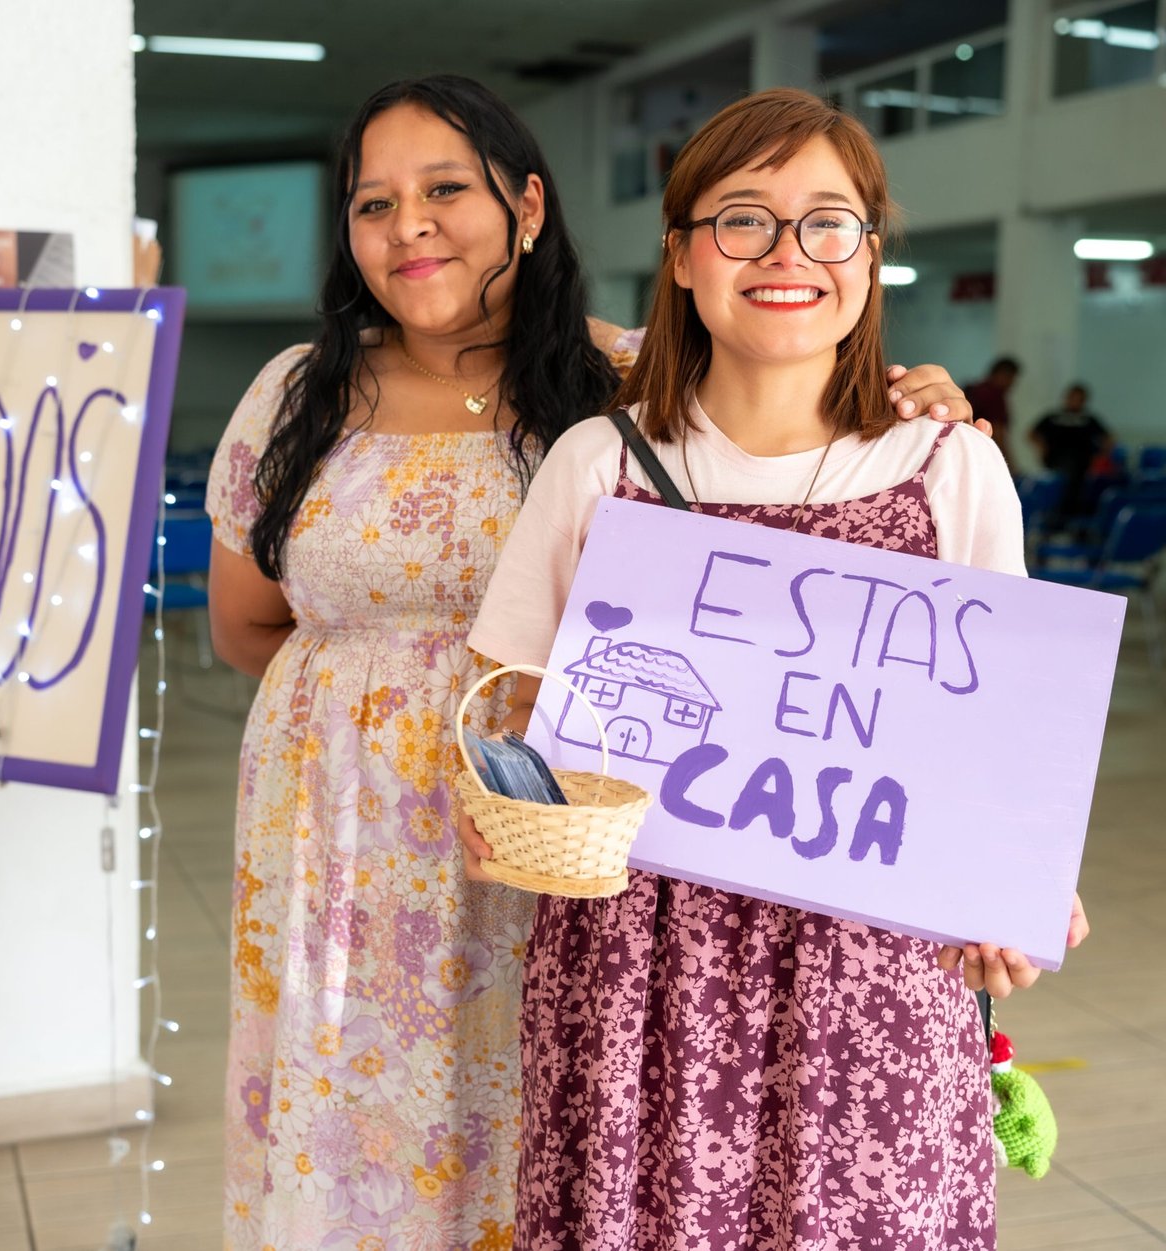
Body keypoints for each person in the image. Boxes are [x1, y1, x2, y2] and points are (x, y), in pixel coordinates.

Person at [206, 75, 977, 1250]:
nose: (408, 223)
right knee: (353, 1128)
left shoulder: (618, 387)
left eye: (445, 189)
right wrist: (354, 713)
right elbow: (246, 627)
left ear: (525, 205)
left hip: (577, 840)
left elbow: (783, 405)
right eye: (375, 202)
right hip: (346, 835)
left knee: (560, 1130)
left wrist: (922, 397)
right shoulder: (295, 395)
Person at [463, 89, 1087, 1250]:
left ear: (868, 255)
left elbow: (999, 742)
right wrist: (501, 811)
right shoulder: (601, 466)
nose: (787, 253)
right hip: (642, 963)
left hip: (875, 964)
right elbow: (515, 717)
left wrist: (1021, 883)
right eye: (742, 219)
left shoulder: (949, 469)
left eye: (828, 222)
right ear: (682, 256)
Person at [1031, 382, 1112, 523]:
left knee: (1078, 493)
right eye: (1072, 397)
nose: (1074, 401)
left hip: (1082, 466)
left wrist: (1099, 458)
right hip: (1056, 463)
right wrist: (1042, 449)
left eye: (1079, 398)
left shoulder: (1088, 419)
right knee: (1057, 492)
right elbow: (1032, 434)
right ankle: (1054, 522)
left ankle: (1071, 524)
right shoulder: (1053, 417)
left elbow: (1108, 439)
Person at [964, 355, 1020, 471]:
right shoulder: (994, 396)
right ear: (1003, 375)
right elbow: (998, 433)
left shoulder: (973, 390)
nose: (1012, 384)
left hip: (962, 450)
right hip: (981, 455)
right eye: (1011, 379)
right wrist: (1009, 465)